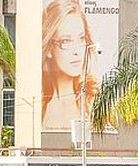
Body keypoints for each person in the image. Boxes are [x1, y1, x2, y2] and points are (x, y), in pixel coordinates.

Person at [41, 0, 97, 130]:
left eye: (82, 39)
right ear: (49, 49)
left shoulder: (93, 101)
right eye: (66, 41)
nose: (77, 51)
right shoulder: (38, 105)